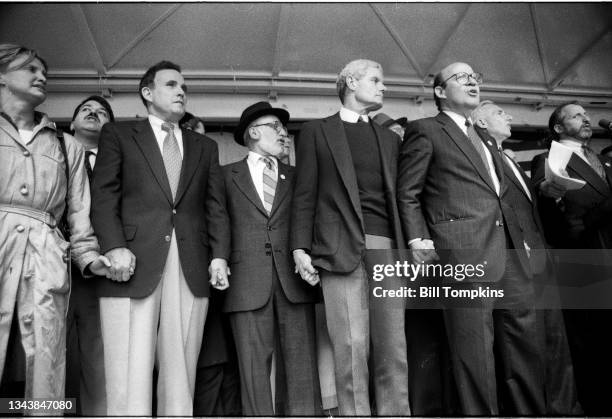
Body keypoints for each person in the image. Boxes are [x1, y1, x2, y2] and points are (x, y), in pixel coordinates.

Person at [398, 62, 545, 415]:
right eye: (461, 78)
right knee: (475, 355)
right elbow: (408, 192)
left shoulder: (484, 136)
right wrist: (418, 239)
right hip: (463, 255)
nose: (471, 82)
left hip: (510, 254)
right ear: (439, 91)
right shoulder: (425, 130)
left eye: (474, 77)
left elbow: (499, 195)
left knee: (523, 348)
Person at [90, 60, 222, 416]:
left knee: (182, 363)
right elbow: (103, 195)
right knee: (128, 363)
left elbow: (215, 208)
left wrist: (219, 256)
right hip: (130, 258)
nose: (181, 91)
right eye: (171, 85)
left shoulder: (205, 146)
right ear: (148, 93)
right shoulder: (118, 135)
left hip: (191, 259)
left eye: (184, 87)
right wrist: (114, 246)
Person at [290, 59, 409, 416]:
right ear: (351, 82)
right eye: (376, 79)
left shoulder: (390, 139)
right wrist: (299, 248)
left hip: (388, 248)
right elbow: (304, 193)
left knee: (393, 349)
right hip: (338, 248)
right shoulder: (315, 131)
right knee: (351, 347)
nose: (383, 87)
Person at [0, 44, 110, 406]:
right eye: (29, 68)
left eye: (43, 70)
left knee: (47, 357)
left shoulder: (66, 145)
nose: (42, 75)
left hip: (47, 252)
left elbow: (79, 213)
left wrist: (89, 257)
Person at [208, 101, 321, 415]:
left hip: (295, 280)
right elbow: (218, 221)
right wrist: (219, 259)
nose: (284, 134)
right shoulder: (223, 175)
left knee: (302, 371)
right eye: (277, 128)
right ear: (254, 131)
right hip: (245, 283)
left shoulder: (297, 175)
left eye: (285, 130)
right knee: (253, 372)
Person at [472, 100, 581, 415]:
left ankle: (566, 410)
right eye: (499, 112)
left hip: (540, 259)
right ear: (480, 123)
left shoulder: (509, 157)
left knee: (556, 343)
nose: (508, 116)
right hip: (513, 262)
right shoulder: (481, 159)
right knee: (522, 347)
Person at [531, 102, 612, 415]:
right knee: (591, 341)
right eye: (576, 115)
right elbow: (542, 188)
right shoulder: (548, 157)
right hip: (581, 258)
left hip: (606, 250)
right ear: (558, 128)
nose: (586, 119)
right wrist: (549, 189)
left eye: (587, 115)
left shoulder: (601, 161)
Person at [65, 95, 114, 415]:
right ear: (70, 124)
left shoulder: (118, 163)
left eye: (102, 113)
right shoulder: (53, 154)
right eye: (86, 110)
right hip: (50, 263)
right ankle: (49, 410)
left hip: (101, 269)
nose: (94, 114)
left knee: (98, 355)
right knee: (50, 350)